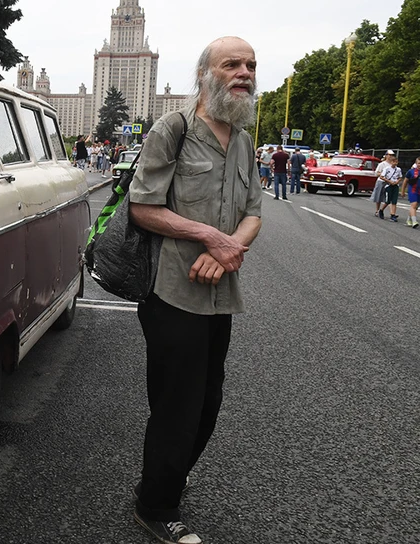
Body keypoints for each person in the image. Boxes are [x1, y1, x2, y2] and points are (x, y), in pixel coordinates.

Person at [129, 36, 262, 544]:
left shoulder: (245, 139)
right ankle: (155, 506)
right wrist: (208, 237)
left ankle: (168, 475)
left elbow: (254, 211)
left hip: (219, 293)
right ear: (205, 74)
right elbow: (143, 207)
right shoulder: (174, 129)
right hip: (172, 291)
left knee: (208, 401)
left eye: (250, 65)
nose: (244, 72)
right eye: (232, 64)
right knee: (177, 405)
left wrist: (227, 249)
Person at [377, 153, 402, 222]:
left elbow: (400, 177)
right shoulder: (387, 169)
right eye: (394, 162)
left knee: (394, 201)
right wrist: (389, 181)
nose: (395, 163)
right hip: (388, 186)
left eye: (396, 162)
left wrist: (397, 181)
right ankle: (381, 210)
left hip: (395, 186)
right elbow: (381, 176)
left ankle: (393, 214)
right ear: (391, 162)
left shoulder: (398, 169)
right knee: (388, 200)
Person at [371, 150, 395, 218]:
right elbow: (377, 173)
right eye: (390, 155)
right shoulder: (382, 164)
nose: (391, 156)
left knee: (389, 198)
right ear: (386, 155)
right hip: (381, 182)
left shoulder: (393, 164)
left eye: (392, 155)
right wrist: (384, 175)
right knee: (379, 196)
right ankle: (377, 210)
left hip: (390, 183)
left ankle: (392, 213)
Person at [401, 157, 420, 228]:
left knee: (415, 206)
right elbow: (405, 181)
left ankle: (409, 219)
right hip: (413, 190)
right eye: (418, 163)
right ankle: (414, 221)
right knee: (414, 205)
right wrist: (403, 191)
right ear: (416, 163)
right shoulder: (411, 171)